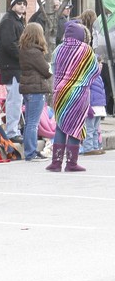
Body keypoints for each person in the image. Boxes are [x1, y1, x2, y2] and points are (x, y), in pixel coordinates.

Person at [47, 22, 100, 172]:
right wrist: (83, 80)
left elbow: (53, 69)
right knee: (76, 126)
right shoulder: (86, 50)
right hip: (79, 93)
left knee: (61, 126)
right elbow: (95, 71)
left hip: (60, 93)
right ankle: (71, 163)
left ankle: (56, 163)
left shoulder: (58, 49)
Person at [17, 22, 51, 162]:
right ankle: (30, 152)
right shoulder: (35, 52)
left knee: (30, 122)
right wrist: (48, 67)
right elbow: (46, 71)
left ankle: (29, 150)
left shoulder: (24, 49)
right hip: (36, 87)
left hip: (27, 87)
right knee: (33, 122)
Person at [0, 0, 27, 142]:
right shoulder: (8, 21)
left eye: (24, 4)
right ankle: (11, 131)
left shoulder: (18, 20)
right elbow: (9, 44)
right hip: (12, 67)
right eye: (19, 3)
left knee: (17, 100)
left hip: (17, 66)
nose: (22, 6)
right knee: (14, 100)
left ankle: (14, 129)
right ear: (12, 5)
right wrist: (24, 57)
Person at [79, 10, 106, 156]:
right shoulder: (90, 75)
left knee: (95, 127)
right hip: (92, 104)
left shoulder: (98, 77)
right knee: (90, 128)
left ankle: (95, 145)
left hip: (98, 104)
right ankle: (89, 147)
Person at [91, 0, 115, 116]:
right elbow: (94, 36)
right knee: (103, 85)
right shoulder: (99, 19)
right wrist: (95, 49)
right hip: (102, 59)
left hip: (114, 58)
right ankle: (104, 110)